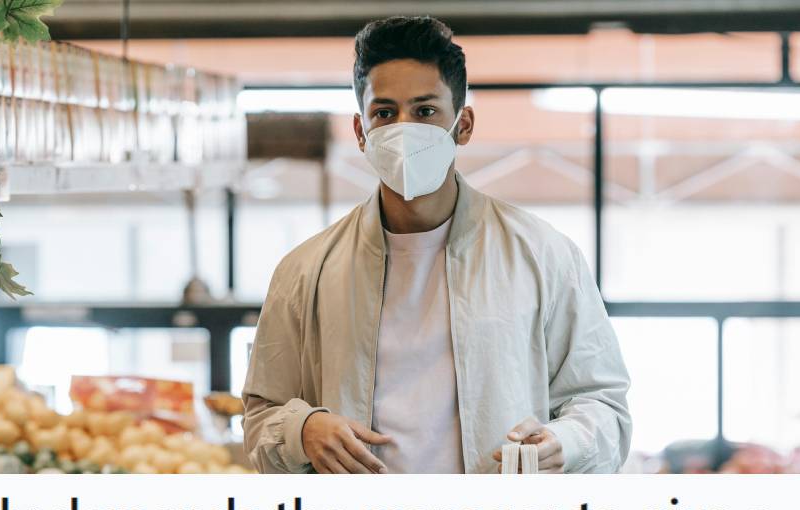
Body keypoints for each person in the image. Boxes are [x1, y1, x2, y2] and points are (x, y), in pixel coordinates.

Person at [242, 16, 631, 474]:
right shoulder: (305, 270)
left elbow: (604, 404)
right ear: (360, 131)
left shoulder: (544, 256)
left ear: (462, 125)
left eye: (425, 111)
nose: (404, 129)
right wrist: (302, 430)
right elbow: (260, 415)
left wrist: (565, 442)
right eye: (384, 113)